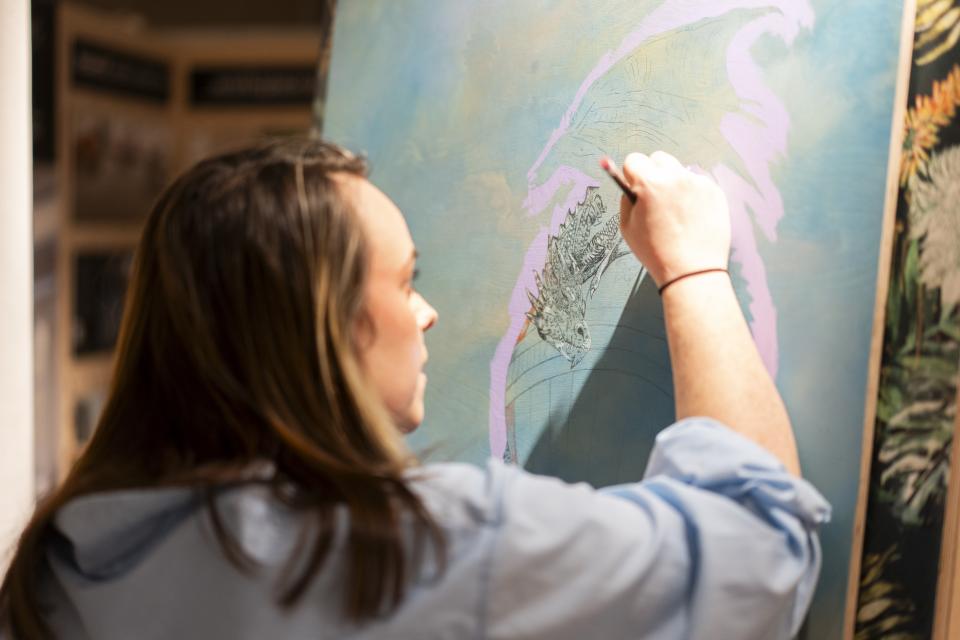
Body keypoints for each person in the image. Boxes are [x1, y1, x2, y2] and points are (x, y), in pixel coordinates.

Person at [0, 139, 829, 639]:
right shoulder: (410, 550)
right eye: (406, 281)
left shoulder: (60, 566)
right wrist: (691, 266)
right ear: (325, 328)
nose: (427, 314)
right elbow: (760, 554)